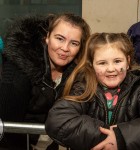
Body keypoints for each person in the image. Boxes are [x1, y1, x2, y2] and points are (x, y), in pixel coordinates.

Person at [0, 13, 90, 150]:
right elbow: (7, 125)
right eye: (60, 38)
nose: (65, 48)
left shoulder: (77, 72)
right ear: (47, 37)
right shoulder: (19, 68)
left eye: (74, 43)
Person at [45, 32, 140, 150]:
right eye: (102, 63)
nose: (111, 69)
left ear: (128, 62)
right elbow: (58, 119)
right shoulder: (84, 88)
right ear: (92, 66)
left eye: (117, 61)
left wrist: (122, 137)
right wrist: (109, 139)